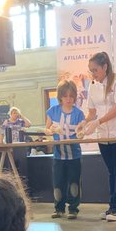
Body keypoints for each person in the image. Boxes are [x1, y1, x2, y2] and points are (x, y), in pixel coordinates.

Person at [83, 51, 116, 222]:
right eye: (90, 70)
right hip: (103, 135)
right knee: (111, 171)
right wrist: (84, 122)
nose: (93, 74)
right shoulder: (92, 85)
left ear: (105, 67)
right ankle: (112, 207)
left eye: (95, 70)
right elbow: (91, 112)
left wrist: (98, 122)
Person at [45, 79, 86, 219]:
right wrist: (50, 131)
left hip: (74, 155)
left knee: (74, 183)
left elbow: (81, 132)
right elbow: (47, 128)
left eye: (71, 96)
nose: (68, 99)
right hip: (58, 155)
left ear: (75, 97)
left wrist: (81, 133)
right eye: (65, 96)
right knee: (58, 183)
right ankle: (58, 208)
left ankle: (73, 209)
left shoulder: (79, 114)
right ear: (60, 97)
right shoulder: (53, 111)